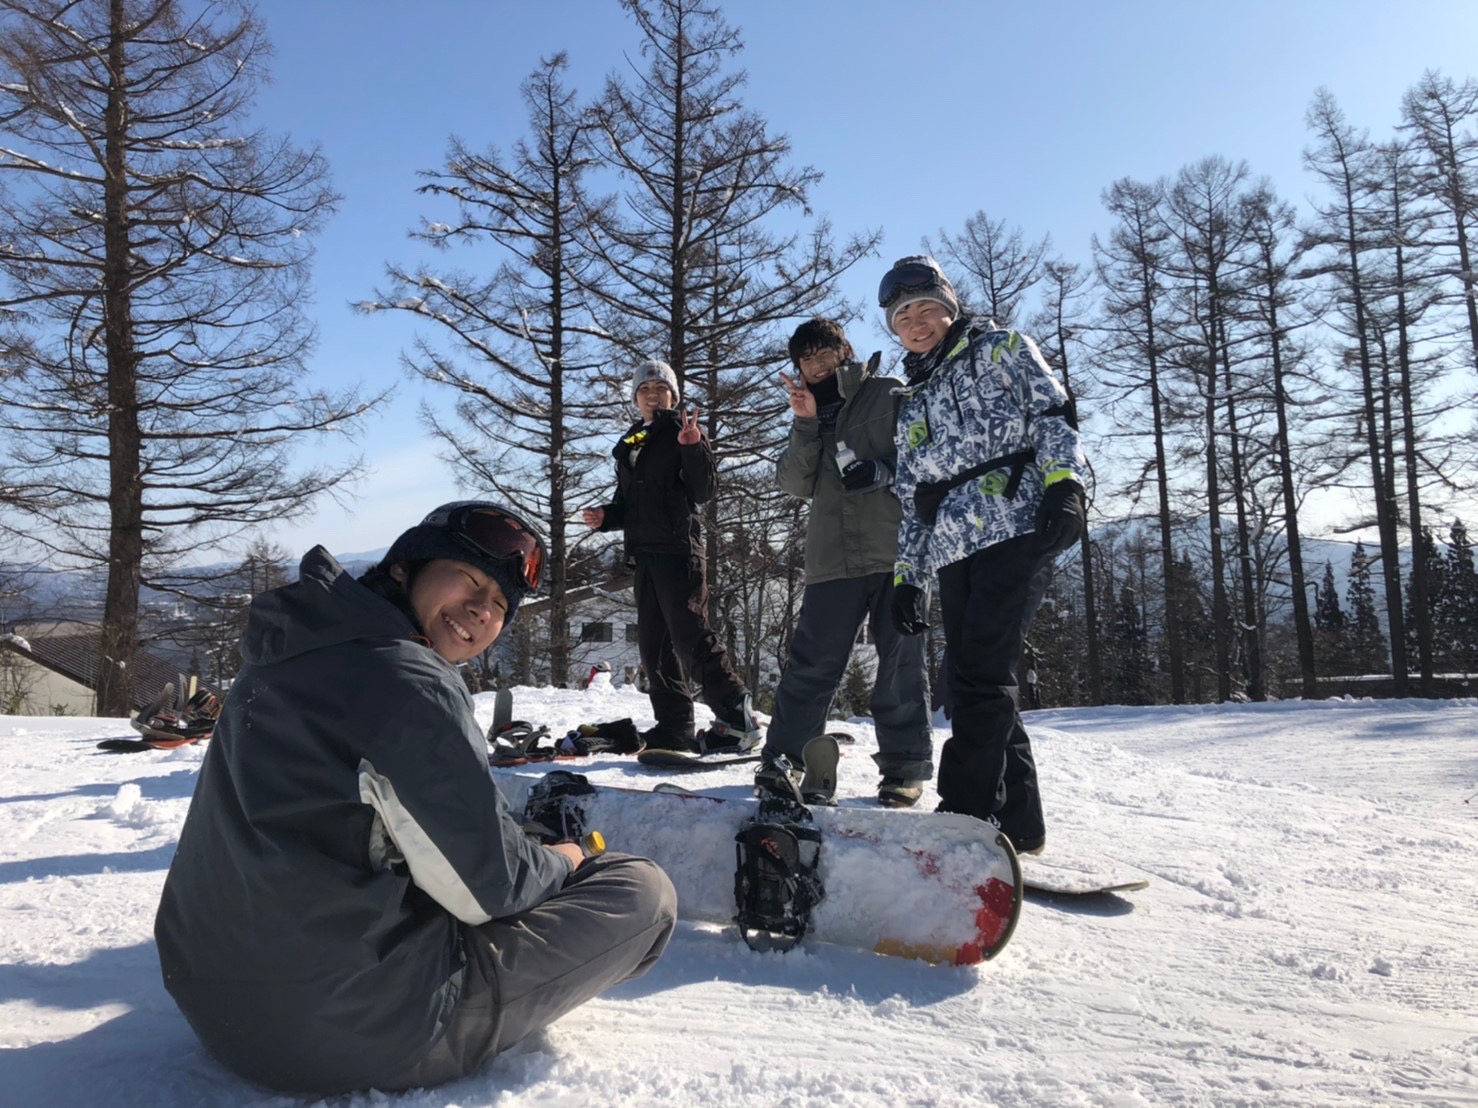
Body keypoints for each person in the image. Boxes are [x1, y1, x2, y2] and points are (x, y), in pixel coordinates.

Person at [154, 502, 676, 1095]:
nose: (483, 610)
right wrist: (566, 860)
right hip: (345, 1035)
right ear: (407, 567)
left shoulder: (287, 649)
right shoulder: (405, 682)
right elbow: (491, 890)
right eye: (473, 581)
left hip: (210, 1003)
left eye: (502, 605)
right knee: (643, 891)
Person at [879, 255, 1087, 856]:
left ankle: (964, 817)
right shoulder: (911, 399)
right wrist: (906, 579)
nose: (916, 322)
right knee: (976, 679)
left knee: (978, 676)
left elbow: (1054, 415)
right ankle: (1021, 824)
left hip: (1018, 525)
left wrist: (1063, 486)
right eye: (902, 316)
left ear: (948, 306)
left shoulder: (1001, 349)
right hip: (953, 545)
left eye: (925, 308)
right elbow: (913, 495)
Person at [756, 317, 933, 807]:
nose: (814, 366)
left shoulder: (888, 393)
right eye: (805, 360)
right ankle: (784, 760)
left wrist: (880, 472)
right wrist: (805, 421)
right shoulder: (809, 410)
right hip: (831, 558)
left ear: (844, 352)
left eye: (823, 355)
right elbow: (794, 482)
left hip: (894, 553)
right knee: (811, 665)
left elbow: (927, 463)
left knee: (899, 666)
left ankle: (903, 769)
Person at [582, 359, 759, 752]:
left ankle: (737, 717)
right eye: (645, 389)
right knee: (654, 645)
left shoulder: (685, 431)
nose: (652, 394)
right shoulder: (632, 442)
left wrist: (694, 448)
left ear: (673, 395)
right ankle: (675, 724)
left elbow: (702, 491)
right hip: (644, 555)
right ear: (635, 398)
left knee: (690, 636)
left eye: (661, 388)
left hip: (680, 551)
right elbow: (626, 503)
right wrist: (604, 517)